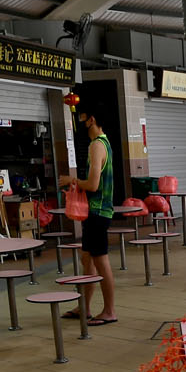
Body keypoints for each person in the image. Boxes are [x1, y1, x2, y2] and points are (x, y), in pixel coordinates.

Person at [65, 104, 119, 324]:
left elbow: (94, 184)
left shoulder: (97, 146)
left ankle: (109, 311)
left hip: (97, 212)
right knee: (87, 258)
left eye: (83, 116)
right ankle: (84, 307)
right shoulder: (103, 143)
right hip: (96, 212)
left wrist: (72, 181)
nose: (81, 120)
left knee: (100, 260)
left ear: (92, 119)